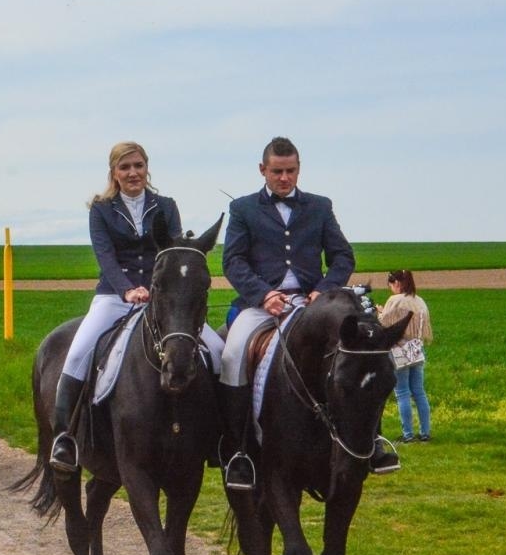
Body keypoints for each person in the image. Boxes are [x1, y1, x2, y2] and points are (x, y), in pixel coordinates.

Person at [219, 136, 395, 490]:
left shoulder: (319, 206)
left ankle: (375, 441)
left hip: (314, 303)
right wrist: (262, 294)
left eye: (291, 171)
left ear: (299, 170)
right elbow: (233, 261)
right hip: (263, 305)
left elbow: (343, 255)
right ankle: (239, 451)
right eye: (277, 172)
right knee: (231, 355)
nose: (285, 178)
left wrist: (325, 289)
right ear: (262, 170)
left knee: (364, 351)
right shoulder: (243, 209)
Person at [49, 142, 226, 472]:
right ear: (114, 172)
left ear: (147, 169)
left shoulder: (166, 205)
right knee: (77, 353)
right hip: (115, 297)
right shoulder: (101, 210)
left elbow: (171, 252)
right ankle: (65, 439)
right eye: (125, 167)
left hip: (161, 298)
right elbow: (105, 257)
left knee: (217, 352)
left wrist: (162, 291)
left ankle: (222, 439)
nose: (133, 172)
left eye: (138, 166)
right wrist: (127, 290)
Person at [378, 269, 433, 442]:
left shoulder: (395, 300)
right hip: (416, 349)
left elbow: (385, 323)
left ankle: (407, 434)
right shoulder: (419, 300)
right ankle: (425, 433)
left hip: (399, 350)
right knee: (419, 392)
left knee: (402, 393)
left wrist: (379, 312)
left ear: (396, 283)